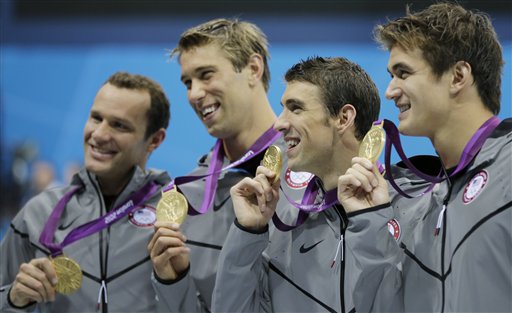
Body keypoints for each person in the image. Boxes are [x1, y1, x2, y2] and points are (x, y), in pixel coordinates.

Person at [337, 3, 511, 312]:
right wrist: (370, 221)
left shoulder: (507, 165)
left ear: (458, 76)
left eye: (403, 73)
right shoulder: (426, 204)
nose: (390, 91)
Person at [147, 18, 309, 312]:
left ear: (253, 69)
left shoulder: (315, 171)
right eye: (187, 82)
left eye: (206, 75)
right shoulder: (187, 199)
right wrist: (174, 282)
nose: (194, 93)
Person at [212, 56, 381, 312]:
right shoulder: (282, 223)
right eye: (283, 108)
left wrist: (373, 219)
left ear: (343, 118)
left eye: (296, 108)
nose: (279, 123)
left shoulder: (407, 208)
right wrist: (248, 232)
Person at [0, 72, 172, 312]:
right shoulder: (38, 213)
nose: (99, 134)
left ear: (154, 140)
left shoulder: (178, 216)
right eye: (96, 118)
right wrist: (12, 300)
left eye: (119, 125)